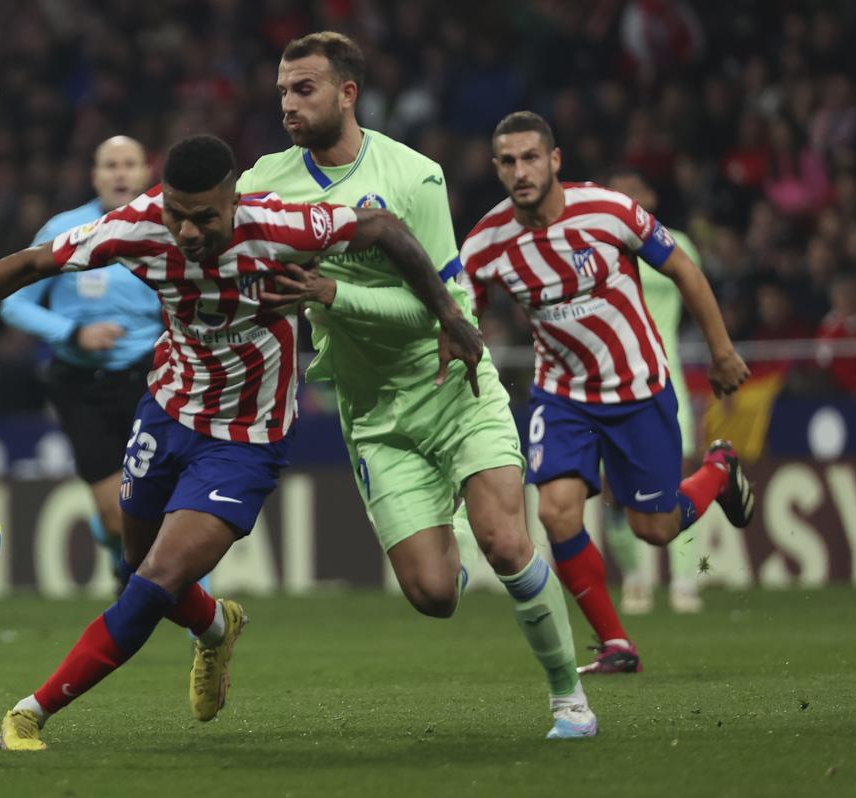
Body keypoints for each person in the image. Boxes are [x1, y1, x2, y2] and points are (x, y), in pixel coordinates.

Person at [0, 134, 480, 751]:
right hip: (166, 410)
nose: (189, 232)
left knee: (152, 582)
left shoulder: (283, 224)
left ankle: (31, 712)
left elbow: (385, 228)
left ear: (235, 202)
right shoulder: (135, 226)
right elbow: (30, 264)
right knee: (136, 565)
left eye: (204, 218)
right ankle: (217, 627)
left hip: (245, 438)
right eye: (177, 215)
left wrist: (449, 313)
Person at [238, 32, 597, 739]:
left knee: (506, 541)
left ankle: (569, 699)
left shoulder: (414, 176)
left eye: (303, 88)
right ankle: (454, 524)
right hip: (371, 412)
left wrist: (332, 295)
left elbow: (451, 317)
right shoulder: (261, 185)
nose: (288, 102)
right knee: (435, 596)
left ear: (348, 93)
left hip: (450, 384)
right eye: (281, 89)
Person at [457, 111, 755, 675]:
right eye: (508, 161)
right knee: (557, 513)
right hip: (562, 395)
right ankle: (617, 643)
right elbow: (462, 311)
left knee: (655, 528)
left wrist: (720, 352)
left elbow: (686, 271)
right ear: (496, 169)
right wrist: (456, 340)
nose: (520, 170)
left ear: (555, 160)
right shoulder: (486, 245)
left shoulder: (609, 210)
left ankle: (719, 467)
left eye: (530, 157)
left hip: (639, 388)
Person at [0, 136, 157, 575]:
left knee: (167, 506)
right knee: (114, 519)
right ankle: (111, 546)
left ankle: (195, 621)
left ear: (147, 174)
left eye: (129, 164)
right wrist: (72, 332)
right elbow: (14, 303)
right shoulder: (64, 229)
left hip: (151, 381)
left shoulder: (164, 228)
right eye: (110, 165)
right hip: (81, 386)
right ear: (95, 176)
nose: (120, 173)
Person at [602, 167, 705, 614]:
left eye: (632, 192)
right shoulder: (598, 245)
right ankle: (636, 578)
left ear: (651, 196)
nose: (625, 199)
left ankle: (685, 583)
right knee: (612, 493)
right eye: (616, 193)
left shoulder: (677, 243)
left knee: (675, 484)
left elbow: (691, 286)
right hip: (612, 385)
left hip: (666, 380)